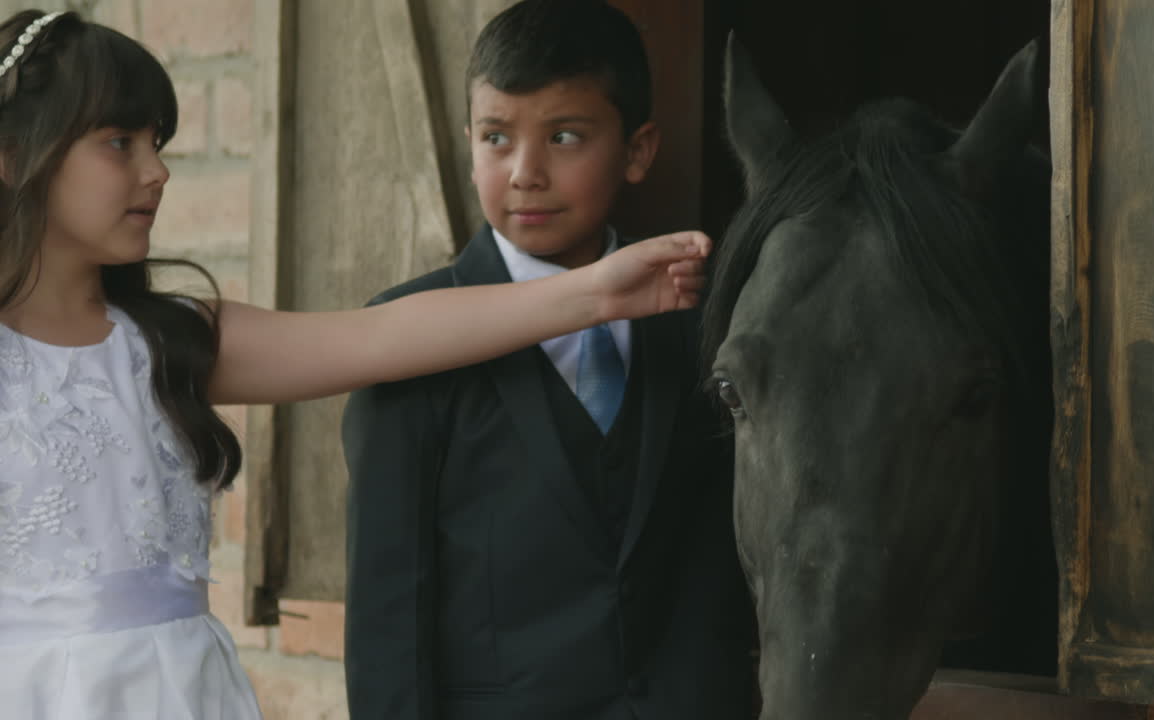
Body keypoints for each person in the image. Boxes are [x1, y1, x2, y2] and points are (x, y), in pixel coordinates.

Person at [0, 9, 711, 719]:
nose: (155, 172)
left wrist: (594, 291)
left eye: (156, 143)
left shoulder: (170, 342)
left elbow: (385, 337)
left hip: (186, 696)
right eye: (119, 143)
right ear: (10, 153)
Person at [342, 2, 757, 719]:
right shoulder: (409, 335)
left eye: (564, 136)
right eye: (496, 138)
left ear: (637, 149)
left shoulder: (701, 319)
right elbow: (388, 602)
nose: (525, 173)